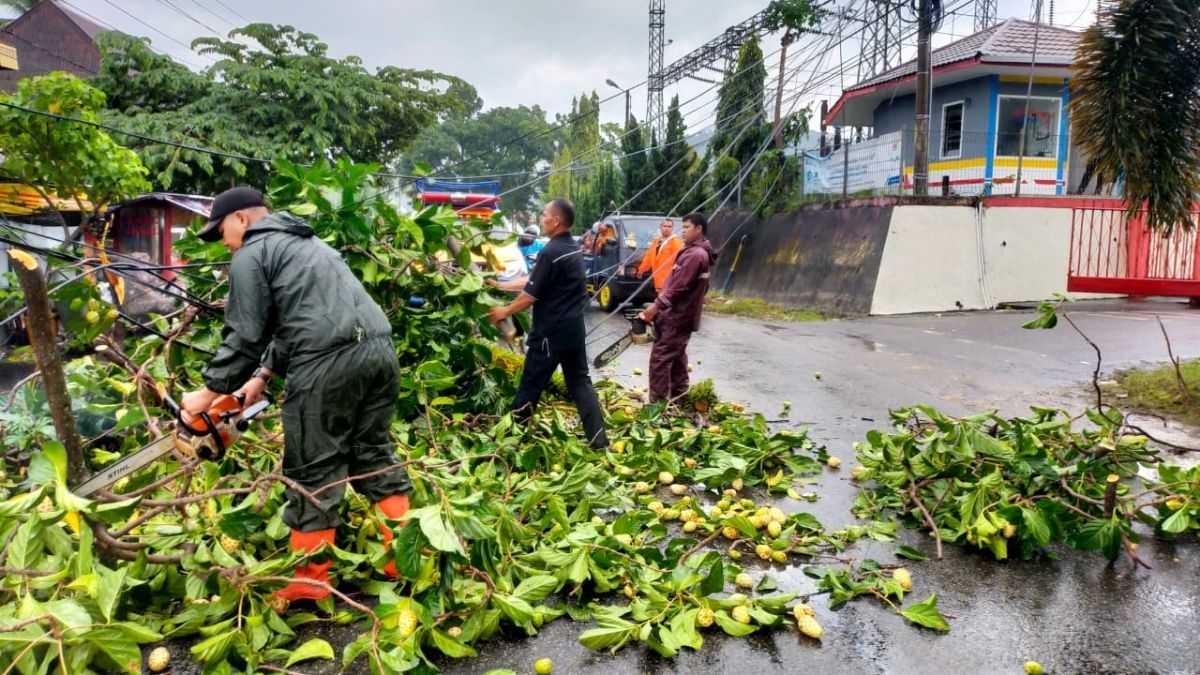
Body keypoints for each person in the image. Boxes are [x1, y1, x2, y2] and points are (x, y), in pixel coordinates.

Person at [179, 187, 410, 603]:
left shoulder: (252, 253)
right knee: (372, 454)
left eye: (223, 232)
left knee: (313, 468)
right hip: (379, 354)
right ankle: (404, 561)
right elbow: (300, 318)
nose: (224, 243)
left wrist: (209, 392)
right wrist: (263, 376)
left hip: (328, 364)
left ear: (242, 220)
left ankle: (310, 581)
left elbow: (246, 333)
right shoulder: (310, 244)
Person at [487, 198, 608, 449]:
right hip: (573, 331)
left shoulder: (551, 251)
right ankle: (599, 443)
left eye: (544, 215)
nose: (541, 219)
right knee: (580, 383)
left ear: (556, 220)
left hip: (549, 335)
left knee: (530, 385)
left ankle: (511, 442)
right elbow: (535, 280)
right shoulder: (572, 248)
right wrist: (500, 285)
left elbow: (531, 295)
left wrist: (504, 310)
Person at [638, 212, 716, 404]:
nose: (683, 231)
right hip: (678, 314)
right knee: (677, 357)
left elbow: (678, 287)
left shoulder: (695, 255)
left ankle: (656, 406)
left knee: (660, 358)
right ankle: (681, 400)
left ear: (699, 229)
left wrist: (655, 307)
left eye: (687, 227)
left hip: (678, 316)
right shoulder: (692, 252)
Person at [636, 218, 684, 294]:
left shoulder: (675, 242)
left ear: (673, 228)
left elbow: (681, 259)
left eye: (669, 226)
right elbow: (649, 257)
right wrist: (641, 270)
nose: (667, 228)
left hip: (669, 279)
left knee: (665, 302)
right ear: (660, 227)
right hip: (658, 279)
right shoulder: (656, 241)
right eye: (665, 226)